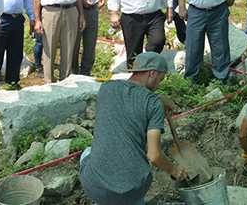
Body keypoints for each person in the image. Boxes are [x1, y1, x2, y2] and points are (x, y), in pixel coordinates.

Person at [80, 52, 188, 204]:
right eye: (160, 79)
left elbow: (131, 96)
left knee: (87, 152)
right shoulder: (152, 104)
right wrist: (174, 170)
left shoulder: (106, 89)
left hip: (95, 187)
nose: (159, 84)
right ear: (152, 73)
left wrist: (156, 98)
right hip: (131, 190)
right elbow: (154, 155)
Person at [30, 0, 50, 76]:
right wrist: (35, 18)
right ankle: (38, 66)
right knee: (39, 41)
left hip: (49, 12)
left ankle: (46, 65)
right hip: (40, 13)